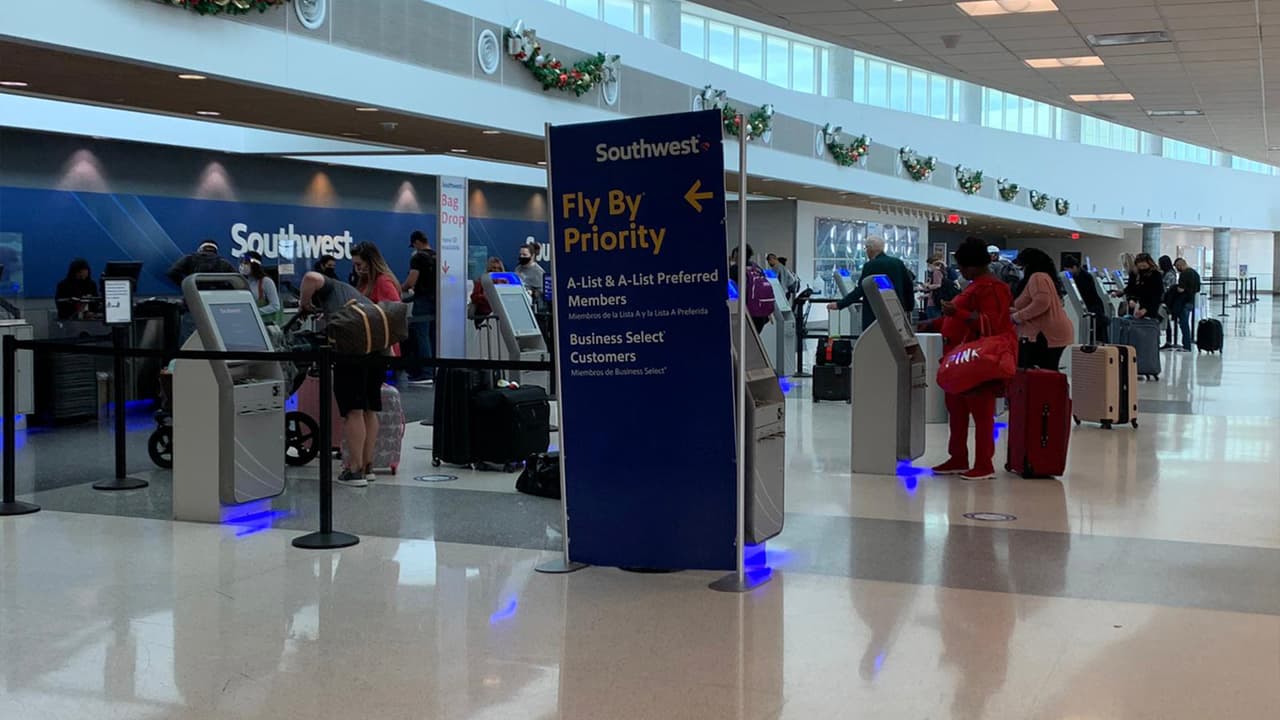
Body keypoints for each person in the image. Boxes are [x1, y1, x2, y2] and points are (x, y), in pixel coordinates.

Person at [932, 238, 1016, 482]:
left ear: (973, 265)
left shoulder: (992, 288)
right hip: (963, 359)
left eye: (963, 267)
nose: (961, 271)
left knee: (981, 411)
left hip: (980, 360)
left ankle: (983, 463)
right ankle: (958, 457)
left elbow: (991, 324)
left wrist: (955, 312)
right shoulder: (977, 285)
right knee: (957, 408)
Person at [298, 270, 384, 488]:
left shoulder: (330, 286)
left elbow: (310, 278)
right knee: (369, 409)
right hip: (377, 348)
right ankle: (367, 467)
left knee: (354, 410)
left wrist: (303, 303)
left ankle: (354, 471)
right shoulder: (350, 294)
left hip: (352, 350)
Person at [826, 235, 915, 333]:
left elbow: (861, 290)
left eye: (866, 248)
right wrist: (909, 307)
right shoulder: (898, 263)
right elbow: (908, 286)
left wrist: (839, 304)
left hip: (875, 314)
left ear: (870, 249)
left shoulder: (870, 265)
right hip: (896, 311)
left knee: (873, 339)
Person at [1010, 249, 1074, 370]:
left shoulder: (1037, 277)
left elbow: (1042, 303)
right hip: (1051, 332)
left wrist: (1017, 317)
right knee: (1047, 372)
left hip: (1045, 335)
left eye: (1021, 266)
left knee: (1038, 373)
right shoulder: (1044, 277)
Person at [352, 242, 402, 358]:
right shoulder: (364, 282)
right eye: (354, 265)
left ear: (370, 262)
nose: (357, 269)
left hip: (383, 349)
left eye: (359, 264)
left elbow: (395, 316)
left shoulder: (383, 281)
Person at [401, 230, 436, 384]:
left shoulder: (418, 257)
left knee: (422, 336)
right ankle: (433, 371)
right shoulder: (437, 256)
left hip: (422, 300)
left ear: (416, 242)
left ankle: (425, 373)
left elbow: (411, 282)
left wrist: (399, 288)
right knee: (433, 336)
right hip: (437, 300)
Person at [1061, 256, 1108, 343]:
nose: (1068, 272)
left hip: (1093, 308)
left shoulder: (1084, 277)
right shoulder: (1082, 275)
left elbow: (1081, 294)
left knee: (1095, 336)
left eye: (1068, 270)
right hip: (1093, 307)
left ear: (1074, 267)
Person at [238, 250, 282, 325]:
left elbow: (275, 306)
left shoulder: (266, 281)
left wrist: (255, 312)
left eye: (246, 263)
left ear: (254, 265)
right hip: (247, 322)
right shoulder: (243, 282)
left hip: (265, 324)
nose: (243, 265)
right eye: (242, 263)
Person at [167, 239, 235, 287]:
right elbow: (237, 280)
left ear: (200, 249)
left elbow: (172, 272)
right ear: (216, 251)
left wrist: (187, 285)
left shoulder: (189, 258)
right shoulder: (224, 263)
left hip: (193, 296)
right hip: (217, 297)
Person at [1172, 258, 1202, 352]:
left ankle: (1186, 345)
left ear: (1180, 265)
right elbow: (1198, 289)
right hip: (1191, 301)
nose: (1177, 269)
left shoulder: (1184, 274)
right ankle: (1187, 344)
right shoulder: (1195, 273)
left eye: (1177, 267)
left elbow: (1181, 289)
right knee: (1185, 323)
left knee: (1183, 324)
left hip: (1183, 302)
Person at [1122, 253, 1164, 320]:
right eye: (1139, 263)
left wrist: (1146, 309)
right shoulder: (1134, 274)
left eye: (1144, 264)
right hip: (1135, 307)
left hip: (1151, 309)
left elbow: (1157, 294)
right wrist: (1131, 299)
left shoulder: (1155, 274)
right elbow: (1130, 288)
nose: (1141, 266)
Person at [514, 243, 545, 309]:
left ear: (532, 256)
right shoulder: (518, 268)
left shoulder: (539, 272)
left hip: (531, 303)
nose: (522, 256)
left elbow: (541, 291)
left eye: (524, 255)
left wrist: (532, 292)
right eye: (520, 254)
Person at [1158, 255, 1179, 349]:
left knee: (1164, 319)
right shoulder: (1167, 273)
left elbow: (1166, 288)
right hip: (1166, 299)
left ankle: (1168, 340)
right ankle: (1168, 340)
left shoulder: (1169, 275)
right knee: (1166, 320)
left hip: (1166, 300)